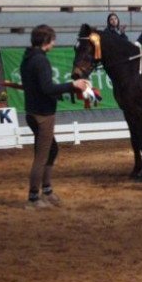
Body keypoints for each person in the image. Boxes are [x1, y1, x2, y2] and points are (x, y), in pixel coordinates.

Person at [20, 24, 89, 209]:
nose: (55, 43)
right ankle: (34, 198)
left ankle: (47, 190)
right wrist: (73, 85)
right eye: (53, 39)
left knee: (52, 150)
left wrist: (57, 92)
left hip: (33, 111)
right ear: (45, 41)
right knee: (41, 156)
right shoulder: (41, 61)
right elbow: (47, 88)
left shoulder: (28, 59)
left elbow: (39, 87)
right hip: (43, 114)